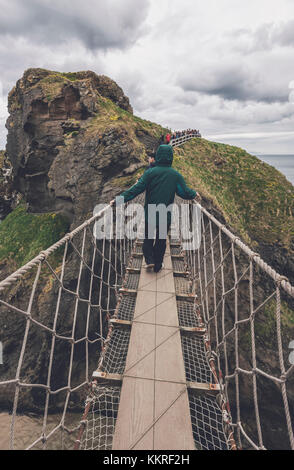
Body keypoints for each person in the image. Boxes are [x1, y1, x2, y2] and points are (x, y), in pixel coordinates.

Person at [111, 143, 200, 273]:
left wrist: (118, 200)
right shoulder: (175, 176)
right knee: (161, 240)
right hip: (166, 214)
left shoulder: (150, 173)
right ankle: (158, 265)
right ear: (171, 157)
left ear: (158, 156)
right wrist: (194, 194)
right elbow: (183, 192)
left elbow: (135, 190)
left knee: (147, 237)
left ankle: (149, 261)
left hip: (150, 212)